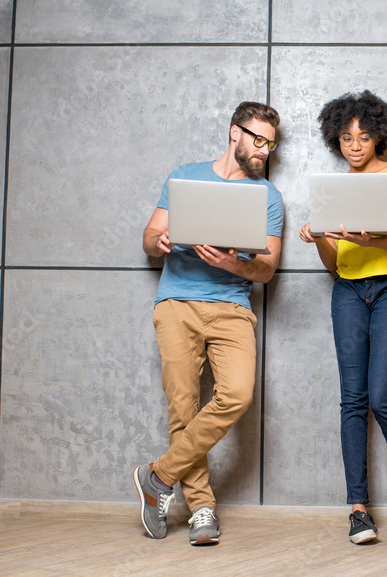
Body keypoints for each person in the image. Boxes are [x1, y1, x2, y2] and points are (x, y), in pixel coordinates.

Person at [133, 102, 283, 546]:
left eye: (271, 144)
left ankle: (156, 477)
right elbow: (148, 238)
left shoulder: (268, 197)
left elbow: (268, 268)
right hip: (177, 302)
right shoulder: (185, 175)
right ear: (233, 133)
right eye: (257, 139)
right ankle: (201, 509)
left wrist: (234, 264)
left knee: (237, 394)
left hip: (231, 307)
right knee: (182, 408)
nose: (264, 149)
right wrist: (160, 241)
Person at [299, 90, 387, 544]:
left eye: (364, 135)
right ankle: (358, 509)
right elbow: (335, 264)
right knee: (351, 400)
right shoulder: (334, 189)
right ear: (336, 140)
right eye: (346, 137)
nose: (354, 144)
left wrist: (369, 239)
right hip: (348, 292)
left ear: (379, 137)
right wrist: (318, 235)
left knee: (381, 398)